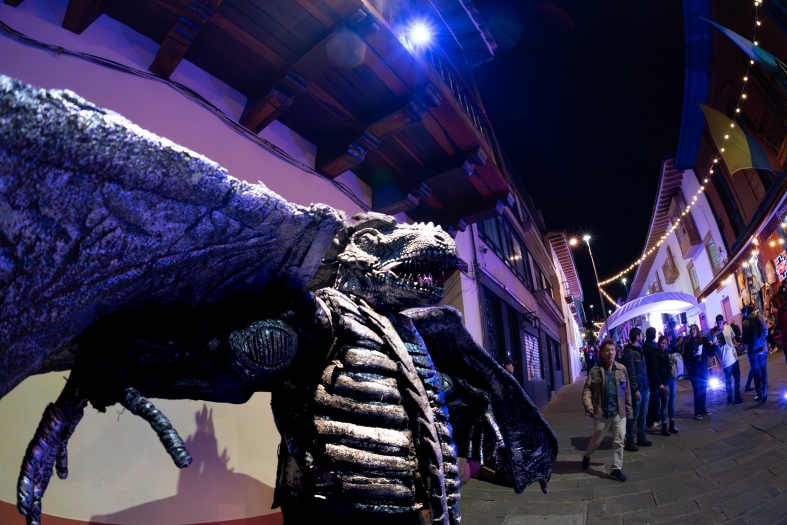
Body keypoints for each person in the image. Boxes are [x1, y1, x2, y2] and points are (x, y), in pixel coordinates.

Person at [581, 339, 632, 482]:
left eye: (613, 350)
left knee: (619, 440)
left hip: (618, 412)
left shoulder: (622, 369)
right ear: (602, 353)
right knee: (596, 440)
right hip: (602, 413)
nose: (611, 353)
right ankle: (587, 455)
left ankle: (616, 469)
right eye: (607, 350)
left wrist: (629, 411)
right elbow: (587, 390)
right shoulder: (595, 371)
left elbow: (627, 391)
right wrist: (589, 405)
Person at [622, 328, 651, 451]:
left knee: (643, 415)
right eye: (641, 335)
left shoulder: (640, 350)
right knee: (633, 416)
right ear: (637, 336)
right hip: (638, 388)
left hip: (645, 386)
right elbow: (630, 372)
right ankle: (629, 441)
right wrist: (635, 389)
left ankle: (641, 437)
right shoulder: (629, 352)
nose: (642, 336)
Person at [652, 336, 678, 435]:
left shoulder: (668, 352)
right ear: (658, 343)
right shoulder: (656, 354)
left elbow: (677, 351)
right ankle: (664, 427)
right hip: (664, 383)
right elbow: (655, 370)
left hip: (672, 380)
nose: (664, 345)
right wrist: (660, 383)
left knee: (672, 404)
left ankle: (672, 425)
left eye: (665, 343)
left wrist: (670, 343)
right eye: (662, 343)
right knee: (664, 405)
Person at [742, 304, 769, 402]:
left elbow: (744, 340)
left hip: (753, 352)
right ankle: (765, 390)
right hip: (762, 349)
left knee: (756, 373)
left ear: (746, 313)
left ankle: (759, 394)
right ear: (754, 310)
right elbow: (766, 332)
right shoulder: (760, 317)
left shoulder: (745, 322)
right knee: (764, 369)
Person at [684, 324, 711, 420]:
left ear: (697, 330)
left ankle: (703, 409)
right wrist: (692, 354)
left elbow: (709, 352)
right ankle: (697, 412)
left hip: (703, 368)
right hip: (694, 370)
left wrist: (714, 345)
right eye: (691, 330)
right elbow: (685, 358)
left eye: (694, 329)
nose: (692, 331)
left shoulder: (702, 340)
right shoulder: (687, 343)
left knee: (703, 389)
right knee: (697, 390)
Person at [712, 330, 743, 405]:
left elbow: (732, 340)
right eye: (719, 323)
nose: (721, 324)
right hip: (726, 362)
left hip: (733, 359)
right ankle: (730, 399)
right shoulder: (715, 336)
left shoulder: (727, 328)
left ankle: (736, 397)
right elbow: (715, 351)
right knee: (728, 382)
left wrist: (737, 346)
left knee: (736, 379)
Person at [642, 327, 660, 428]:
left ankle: (654, 416)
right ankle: (651, 419)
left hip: (648, 374)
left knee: (653, 397)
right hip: (652, 375)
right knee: (654, 397)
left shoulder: (645, 346)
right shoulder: (651, 347)